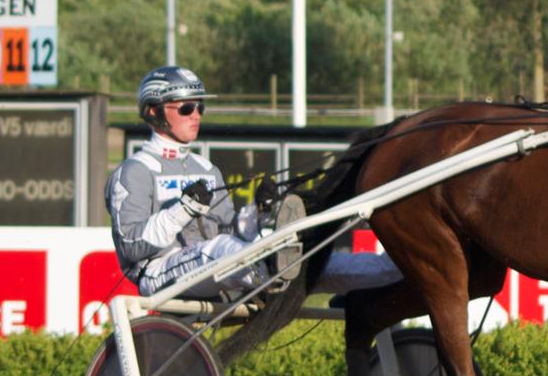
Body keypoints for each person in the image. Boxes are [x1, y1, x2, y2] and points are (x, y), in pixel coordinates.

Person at [106, 65, 402, 299]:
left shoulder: (205, 168)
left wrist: (258, 213)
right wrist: (183, 210)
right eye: (186, 108)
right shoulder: (134, 171)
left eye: (199, 108)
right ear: (154, 111)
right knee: (225, 249)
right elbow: (132, 246)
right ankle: (275, 266)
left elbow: (230, 229)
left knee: (313, 260)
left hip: (219, 265)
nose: (196, 115)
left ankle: (393, 268)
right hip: (158, 273)